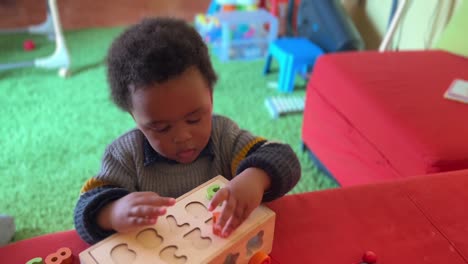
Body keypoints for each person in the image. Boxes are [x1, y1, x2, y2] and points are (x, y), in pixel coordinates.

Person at [74, 17, 301, 245]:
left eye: (194, 119)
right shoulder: (125, 155)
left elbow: (283, 158)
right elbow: (85, 208)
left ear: (210, 98)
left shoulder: (224, 136)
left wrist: (255, 178)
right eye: (161, 127)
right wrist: (112, 213)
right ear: (135, 118)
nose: (182, 137)